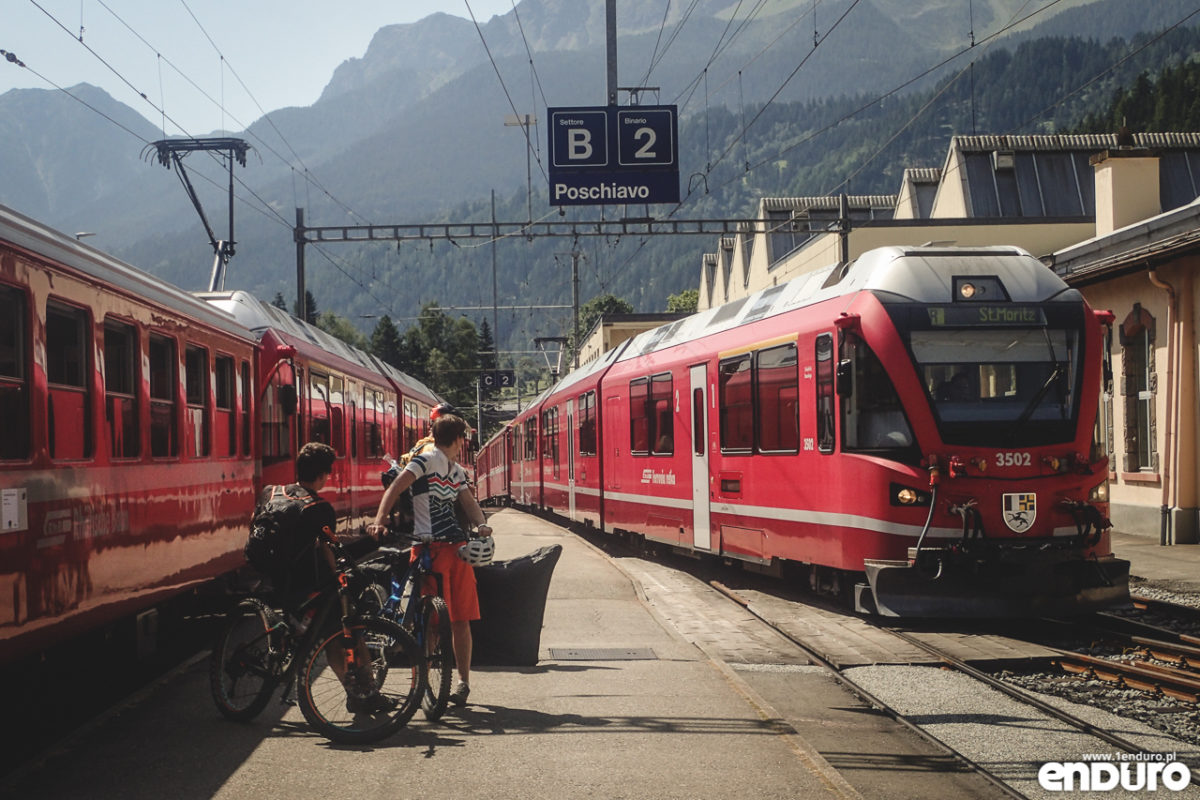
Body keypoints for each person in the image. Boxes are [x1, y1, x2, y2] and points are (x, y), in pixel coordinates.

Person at [368, 413, 492, 707]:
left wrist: (481, 525)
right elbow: (396, 487)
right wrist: (379, 520)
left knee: (459, 618)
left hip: (456, 547)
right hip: (429, 548)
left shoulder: (455, 469)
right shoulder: (424, 460)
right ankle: (439, 680)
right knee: (437, 621)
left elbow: (468, 502)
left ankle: (457, 682)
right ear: (459, 439)